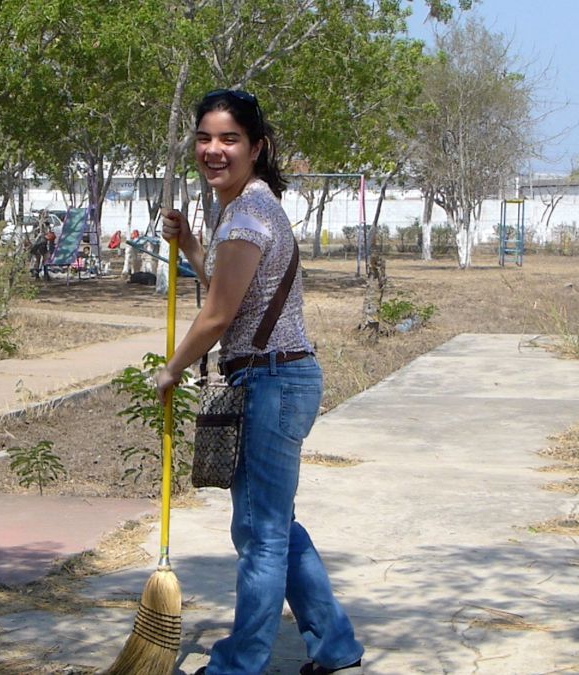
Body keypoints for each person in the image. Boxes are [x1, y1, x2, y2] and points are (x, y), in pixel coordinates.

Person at [155, 89, 364, 675]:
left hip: (272, 381)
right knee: (273, 525)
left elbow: (218, 315)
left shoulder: (246, 215)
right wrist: (191, 245)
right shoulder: (251, 207)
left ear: (257, 147)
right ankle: (335, 646)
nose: (213, 149)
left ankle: (239, 664)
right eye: (204, 137)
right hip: (279, 377)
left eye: (230, 139)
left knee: (260, 532)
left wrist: (172, 368)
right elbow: (231, 287)